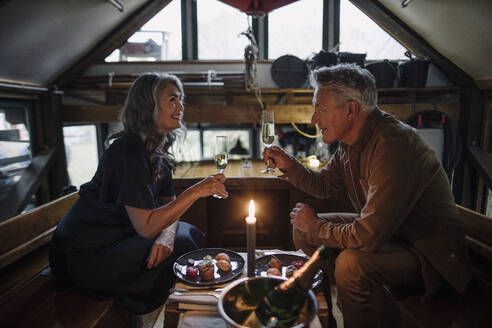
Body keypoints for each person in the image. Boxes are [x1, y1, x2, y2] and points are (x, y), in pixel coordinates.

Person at [263, 64, 471, 327]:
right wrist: (290, 164)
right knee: (302, 230)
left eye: (321, 109)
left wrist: (317, 226)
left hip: (429, 255)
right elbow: (325, 185)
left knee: (351, 265)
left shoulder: (392, 144)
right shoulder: (352, 143)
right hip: (392, 234)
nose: (314, 119)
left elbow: (369, 237)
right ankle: (328, 312)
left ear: (351, 109)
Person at [49, 73, 229, 316]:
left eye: (181, 100)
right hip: (86, 255)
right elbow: (145, 228)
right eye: (173, 100)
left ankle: (173, 306)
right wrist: (197, 190)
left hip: (118, 237)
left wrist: (165, 235)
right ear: (148, 106)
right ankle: (156, 309)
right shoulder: (128, 151)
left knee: (181, 234)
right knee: (183, 240)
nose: (181, 107)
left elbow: (169, 203)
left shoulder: (156, 149)